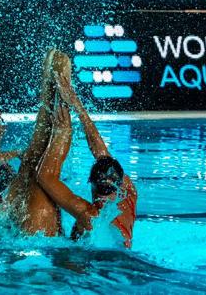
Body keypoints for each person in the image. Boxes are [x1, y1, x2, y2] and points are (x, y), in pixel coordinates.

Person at [36, 60, 138, 249]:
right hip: (121, 256)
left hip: (99, 263)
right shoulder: (129, 192)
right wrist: (76, 105)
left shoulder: (89, 215)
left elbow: (45, 177)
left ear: (91, 182)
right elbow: (101, 153)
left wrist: (62, 132)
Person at [3, 49, 72, 236]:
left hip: (20, 224)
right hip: (39, 233)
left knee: (32, 161)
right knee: (41, 173)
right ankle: (56, 90)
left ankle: (52, 87)